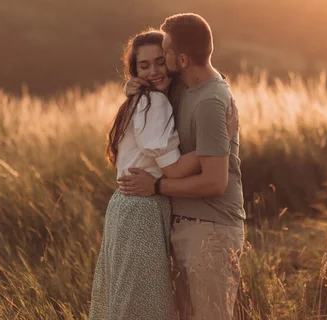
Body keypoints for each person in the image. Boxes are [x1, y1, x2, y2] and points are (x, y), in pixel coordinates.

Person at [88, 29, 238, 320]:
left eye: (160, 61)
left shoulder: (155, 98)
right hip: (141, 209)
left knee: (129, 302)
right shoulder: (154, 103)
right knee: (145, 306)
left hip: (128, 207)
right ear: (134, 71)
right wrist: (222, 138)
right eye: (144, 66)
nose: (154, 71)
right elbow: (173, 170)